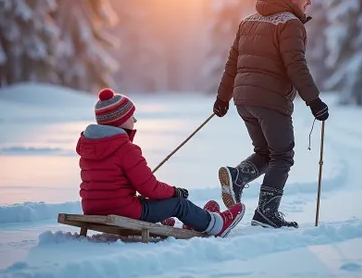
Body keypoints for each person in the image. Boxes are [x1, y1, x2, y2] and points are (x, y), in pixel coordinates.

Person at [213, 0, 329, 229]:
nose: (310, 1)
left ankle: (237, 177)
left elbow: (232, 63)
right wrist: (314, 101)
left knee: (265, 152)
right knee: (283, 156)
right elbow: (296, 65)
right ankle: (266, 212)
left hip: (244, 100)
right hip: (270, 100)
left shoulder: (249, 20)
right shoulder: (290, 24)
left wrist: (223, 98)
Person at [76, 88, 245, 238]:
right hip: (123, 210)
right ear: (119, 120)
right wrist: (174, 192)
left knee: (144, 199)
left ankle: (193, 220)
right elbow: (150, 188)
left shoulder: (89, 147)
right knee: (180, 205)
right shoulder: (125, 148)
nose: (134, 121)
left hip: (92, 208)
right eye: (131, 116)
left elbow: (112, 184)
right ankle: (217, 224)